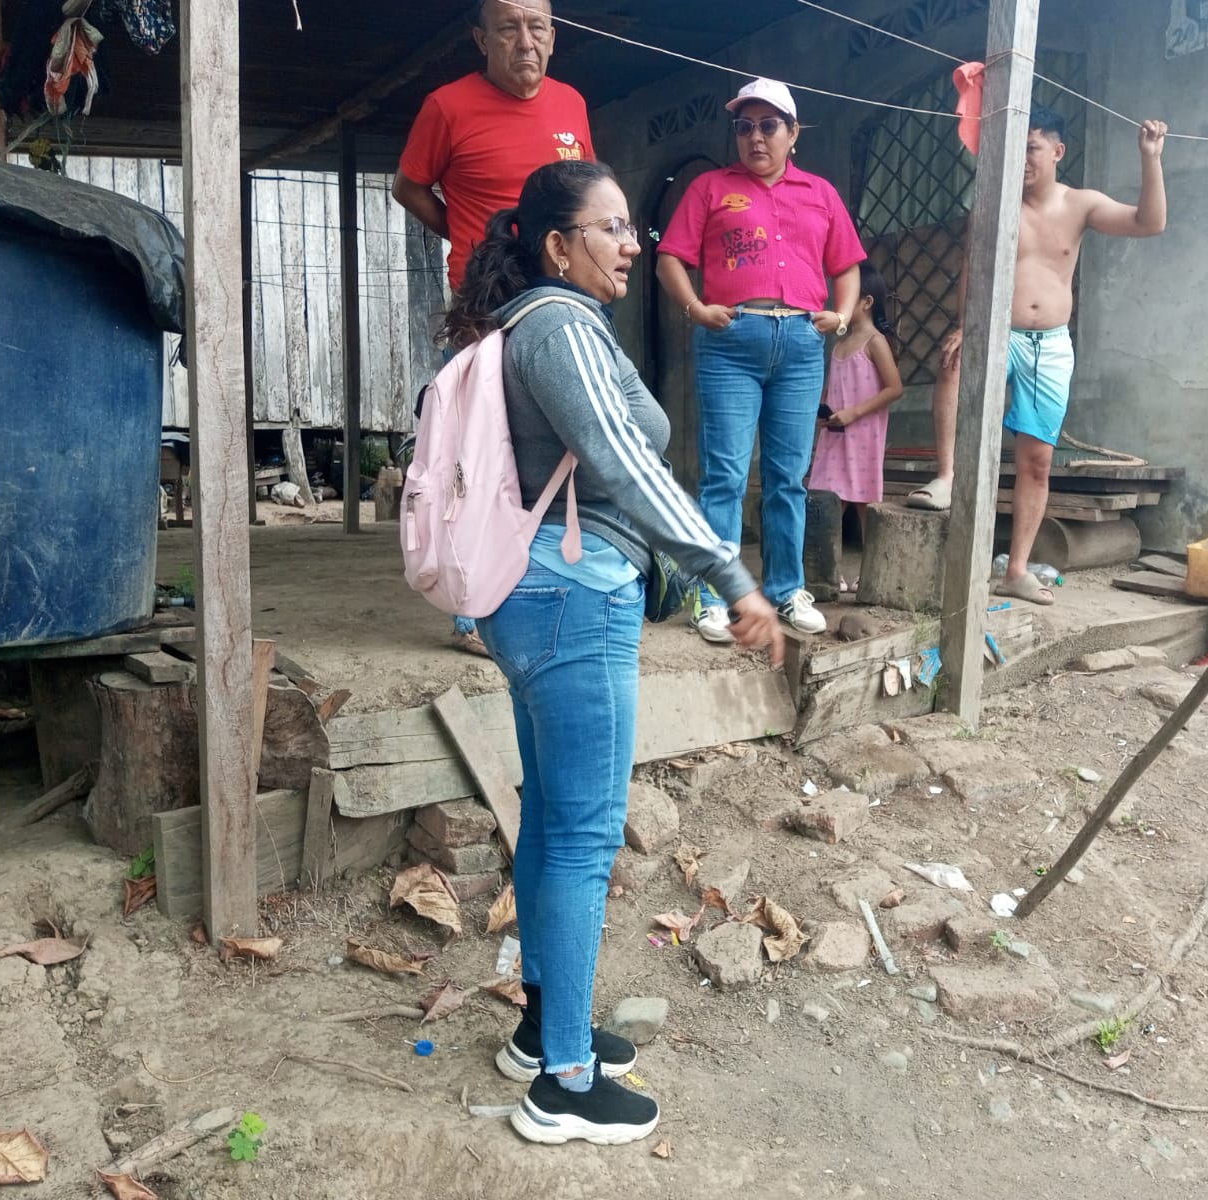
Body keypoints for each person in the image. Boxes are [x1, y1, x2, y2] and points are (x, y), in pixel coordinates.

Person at [444, 159, 785, 1145]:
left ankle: (542, 1029)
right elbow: (629, 465)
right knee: (585, 837)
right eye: (612, 227)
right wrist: (731, 576)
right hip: (575, 598)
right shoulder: (558, 326)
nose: (633, 244)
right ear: (558, 245)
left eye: (634, 227)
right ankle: (563, 1084)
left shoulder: (533, 324)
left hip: (544, 595)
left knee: (553, 820)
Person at [392, 0, 593, 656]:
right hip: (485, 306)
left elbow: (585, 194)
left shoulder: (571, 104)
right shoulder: (447, 106)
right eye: (509, 28)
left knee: (553, 447)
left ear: (554, 37)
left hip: (560, 301)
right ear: (482, 39)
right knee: (477, 454)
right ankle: (470, 608)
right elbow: (408, 186)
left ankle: (541, 582)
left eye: (537, 27)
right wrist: (467, 235)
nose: (524, 41)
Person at [905, 107, 1167, 606]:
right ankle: (947, 476)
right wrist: (965, 324)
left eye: (1030, 148)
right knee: (954, 366)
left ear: (1056, 152)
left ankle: (1017, 570)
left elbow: (1149, 222)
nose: (1021, 159)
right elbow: (971, 268)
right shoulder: (994, 205)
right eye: (1013, 149)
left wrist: (1150, 159)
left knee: (1038, 462)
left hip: (1050, 343)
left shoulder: (1080, 203)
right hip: (997, 331)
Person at [656, 78, 866, 644]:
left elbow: (846, 266)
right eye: (744, 126)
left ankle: (785, 590)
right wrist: (696, 308)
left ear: (793, 133)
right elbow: (670, 258)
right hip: (731, 341)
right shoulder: (710, 188)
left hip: (800, 343)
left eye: (768, 125)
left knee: (787, 477)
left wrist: (842, 315)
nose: (755, 137)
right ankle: (713, 596)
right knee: (724, 475)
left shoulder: (820, 193)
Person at [806, 262, 904, 588]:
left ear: (866, 302)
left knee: (864, 504)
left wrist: (855, 412)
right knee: (826, 500)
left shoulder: (875, 342)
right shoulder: (839, 344)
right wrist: (824, 413)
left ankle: (872, 574)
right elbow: (831, 389)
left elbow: (894, 388)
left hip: (863, 436)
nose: (840, 300)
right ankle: (827, 573)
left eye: (849, 295)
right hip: (835, 435)